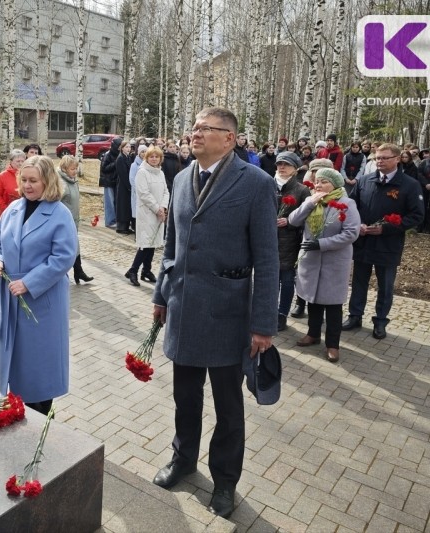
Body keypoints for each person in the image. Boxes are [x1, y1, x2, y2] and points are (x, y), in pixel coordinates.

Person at [151, 107, 279, 519]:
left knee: (228, 408)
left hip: (228, 316)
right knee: (184, 397)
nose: (195, 134)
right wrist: (159, 296)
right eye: (193, 127)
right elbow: (171, 246)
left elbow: (268, 259)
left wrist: (262, 324)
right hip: (184, 309)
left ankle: (225, 481)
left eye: (205, 129)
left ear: (230, 138)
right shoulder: (182, 177)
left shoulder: (256, 183)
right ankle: (183, 458)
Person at [0, 155, 78, 415]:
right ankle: (18, 410)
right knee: (16, 363)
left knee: (39, 368)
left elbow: (63, 257)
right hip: (10, 298)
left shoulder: (59, 213)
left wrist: (28, 282)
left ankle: (39, 419)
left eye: (33, 181)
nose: (27, 186)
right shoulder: (13, 209)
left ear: (48, 181)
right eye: (23, 180)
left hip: (41, 302)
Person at [342, 143, 424, 339]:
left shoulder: (409, 185)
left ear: (397, 159)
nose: (379, 161)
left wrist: (386, 228)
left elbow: (416, 215)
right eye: (377, 158)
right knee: (359, 281)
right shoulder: (364, 181)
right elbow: (351, 206)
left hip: (388, 244)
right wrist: (358, 224)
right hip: (363, 242)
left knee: (385, 285)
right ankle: (355, 315)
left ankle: (380, 321)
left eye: (384, 158)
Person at [288, 168, 360, 363]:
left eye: (324, 182)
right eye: (317, 181)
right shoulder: (311, 201)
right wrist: (310, 203)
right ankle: (312, 334)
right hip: (311, 261)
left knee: (333, 306)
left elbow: (351, 233)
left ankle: (333, 345)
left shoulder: (346, 203)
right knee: (313, 301)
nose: (318, 185)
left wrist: (322, 244)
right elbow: (293, 220)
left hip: (333, 263)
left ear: (335, 185)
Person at [289, 158, 334, 319]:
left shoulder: (336, 193)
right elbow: (294, 216)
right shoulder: (305, 188)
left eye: (321, 171)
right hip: (301, 237)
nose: (317, 175)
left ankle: (319, 308)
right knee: (302, 273)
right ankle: (300, 302)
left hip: (324, 242)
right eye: (314, 171)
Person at [274, 151, 310, 331]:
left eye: (286, 164)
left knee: (287, 280)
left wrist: (289, 221)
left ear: (295, 169)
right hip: (268, 240)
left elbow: (307, 216)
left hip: (289, 241)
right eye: (279, 163)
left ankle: (282, 314)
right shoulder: (268, 184)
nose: (282, 167)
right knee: (269, 280)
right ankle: (269, 311)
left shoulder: (302, 190)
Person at [125, 145, 169, 286]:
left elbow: (165, 192)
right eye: (151, 156)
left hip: (158, 212)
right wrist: (157, 209)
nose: (154, 159)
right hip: (147, 213)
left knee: (153, 243)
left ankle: (146, 270)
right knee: (145, 243)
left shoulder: (160, 173)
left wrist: (162, 207)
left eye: (157, 157)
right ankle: (133, 270)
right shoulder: (142, 172)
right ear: (147, 158)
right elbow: (144, 194)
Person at [58, 155, 93, 284]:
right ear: (65, 168)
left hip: (74, 220)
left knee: (75, 245)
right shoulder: (61, 183)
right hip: (64, 223)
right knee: (66, 248)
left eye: (76, 168)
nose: (75, 171)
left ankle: (78, 271)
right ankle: (63, 275)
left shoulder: (73, 181)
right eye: (73, 169)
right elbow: (55, 203)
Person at [0, 149, 26, 218]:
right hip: (7, 214)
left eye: (22, 161)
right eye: (18, 161)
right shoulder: (3, 176)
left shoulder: (27, 174)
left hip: (25, 213)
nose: (20, 163)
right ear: (11, 161)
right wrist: (6, 209)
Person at [99, 137, 122, 228]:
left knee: (115, 201)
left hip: (115, 181)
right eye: (119, 146)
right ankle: (110, 221)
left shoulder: (119, 154)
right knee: (109, 203)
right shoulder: (107, 155)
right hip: (108, 181)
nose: (120, 148)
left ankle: (115, 219)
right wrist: (115, 163)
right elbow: (104, 168)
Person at [115, 142, 134, 234]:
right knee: (122, 206)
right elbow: (123, 174)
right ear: (122, 148)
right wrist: (129, 186)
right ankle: (121, 227)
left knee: (126, 207)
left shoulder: (128, 157)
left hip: (127, 186)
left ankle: (126, 226)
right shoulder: (120, 158)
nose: (128, 149)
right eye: (126, 147)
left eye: (129, 147)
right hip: (123, 186)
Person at [129, 144, 148, 231]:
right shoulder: (134, 165)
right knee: (137, 212)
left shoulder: (148, 164)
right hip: (137, 192)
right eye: (142, 152)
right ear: (139, 153)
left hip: (146, 192)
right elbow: (132, 179)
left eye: (145, 151)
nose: (144, 153)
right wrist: (139, 189)